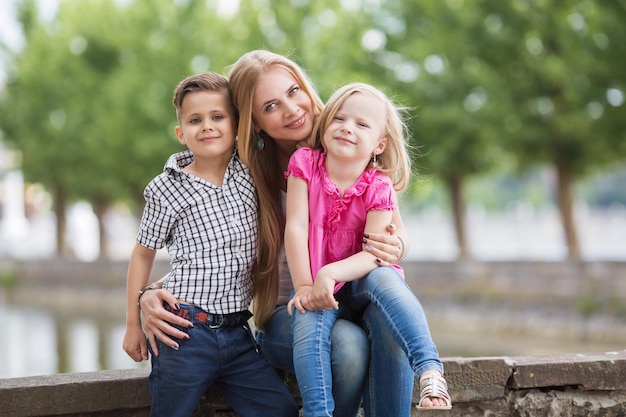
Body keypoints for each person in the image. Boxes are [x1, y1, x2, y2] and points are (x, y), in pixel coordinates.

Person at [131, 50, 438, 416]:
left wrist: (398, 243)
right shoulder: (243, 175)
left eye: (294, 92)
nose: (292, 109)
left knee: (389, 327)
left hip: (353, 296)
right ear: (255, 122)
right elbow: (210, 250)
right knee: (349, 347)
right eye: (271, 106)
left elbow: (395, 231)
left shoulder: (348, 137)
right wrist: (148, 294)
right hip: (288, 313)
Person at [122, 72, 298, 417]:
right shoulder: (166, 189)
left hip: (237, 332)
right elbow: (143, 254)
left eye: (218, 117)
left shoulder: (249, 171)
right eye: (195, 120)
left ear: (236, 125)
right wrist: (132, 323)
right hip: (183, 331)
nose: (207, 126)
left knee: (280, 410)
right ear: (181, 133)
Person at [285, 82, 451, 416]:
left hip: (359, 283)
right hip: (318, 287)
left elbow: (375, 252)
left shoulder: (378, 186)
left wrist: (331, 272)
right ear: (326, 123)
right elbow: (296, 226)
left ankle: (430, 368)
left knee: (385, 276)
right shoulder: (305, 164)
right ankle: (318, 413)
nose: (348, 128)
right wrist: (305, 284)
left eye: (362, 124)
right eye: (339, 119)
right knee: (308, 315)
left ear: (380, 144)